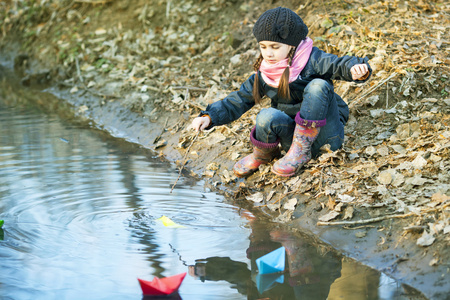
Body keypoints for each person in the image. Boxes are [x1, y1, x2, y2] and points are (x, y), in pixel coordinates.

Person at [191, 7, 371, 178]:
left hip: (326, 136)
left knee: (318, 85)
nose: (268, 53)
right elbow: (239, 99)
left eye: (275, 47)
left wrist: (355, 68)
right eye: (263, 46)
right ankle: (264, 155)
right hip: (291, 142)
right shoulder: (265, 73)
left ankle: (302, 151)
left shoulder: (312, 59)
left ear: (292, 45)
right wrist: (210, 116)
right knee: (266, 115)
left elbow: (338, 64)